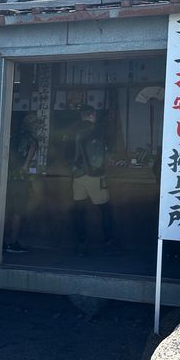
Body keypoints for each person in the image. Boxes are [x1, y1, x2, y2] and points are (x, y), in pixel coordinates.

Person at [71, 105, 115, 253]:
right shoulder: (96, 129)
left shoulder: (73, 130)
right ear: (92, 114)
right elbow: (104, 154)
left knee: (79, 209)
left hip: (77, 175)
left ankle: (81, 244)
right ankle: (109, 243)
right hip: (94, 176)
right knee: (105, 209)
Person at [4, 113, 39, 253]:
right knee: (18, 212)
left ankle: (0, 241)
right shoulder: (32, 140)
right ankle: (13, 242)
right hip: (20, 180)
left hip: (7, 179)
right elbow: (26, 166)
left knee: (6, 211)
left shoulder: (12, 138)